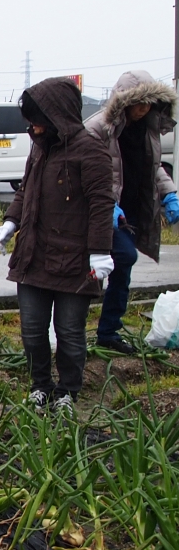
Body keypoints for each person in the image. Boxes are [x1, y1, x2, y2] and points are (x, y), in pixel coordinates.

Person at [0, 78, 114, 412]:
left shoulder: (90, 150)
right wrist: (11, 222)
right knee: (32, 330)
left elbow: (101, 203)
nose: (32, 126)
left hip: (74, 259)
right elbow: (25, 190)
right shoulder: (40, 147)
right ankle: (41, 386)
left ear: (56, 115)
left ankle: (67, 391)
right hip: (33, 254)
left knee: (69, 331)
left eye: (38, 118)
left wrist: (100, 250)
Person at [84, 70, 179, 353]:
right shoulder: (98, 128)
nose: (144, 109)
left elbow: (153, 166)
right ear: (125, 102)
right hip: (103, 211)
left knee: (122, 268)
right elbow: (85, 171)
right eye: (139, 103)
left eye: (150, 103)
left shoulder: (147, 127)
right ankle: (74, 330)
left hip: (131, 209)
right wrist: (106, 204)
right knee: (120, 258)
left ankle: (108, 332)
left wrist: (169, 193)